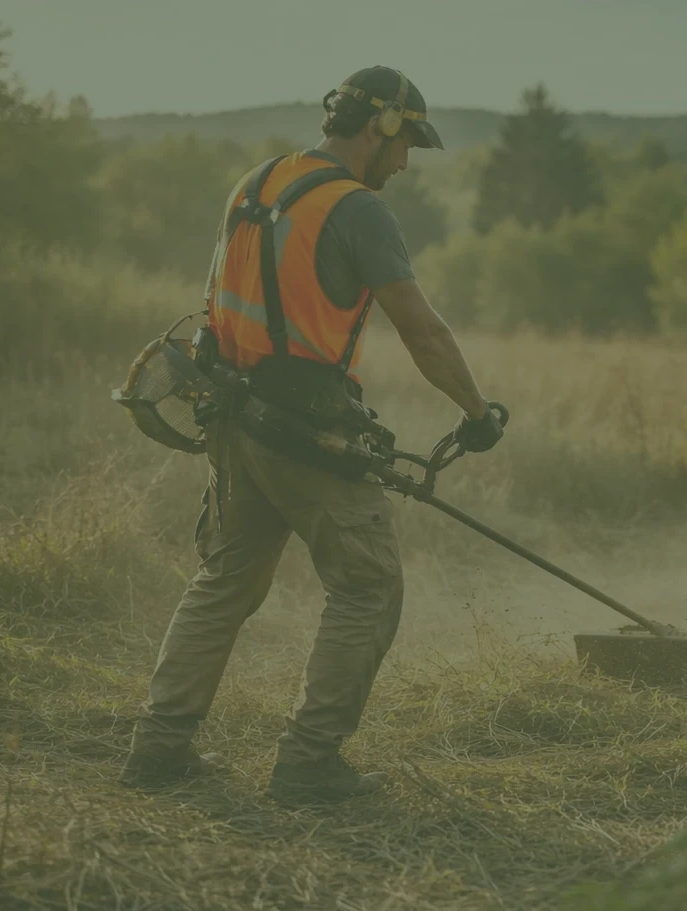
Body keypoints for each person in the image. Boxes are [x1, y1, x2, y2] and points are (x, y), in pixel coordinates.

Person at [119, 66, 503, 803]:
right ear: (379, 128)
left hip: (231, 410)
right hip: (305, 424)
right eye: (406, 143)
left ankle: (157, 749)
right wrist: (478, 415)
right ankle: (308, 764)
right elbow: (422, 331)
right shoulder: (358, 209)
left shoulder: (256, 182)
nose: (405, 161)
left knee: (225, 580)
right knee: (367, 587)